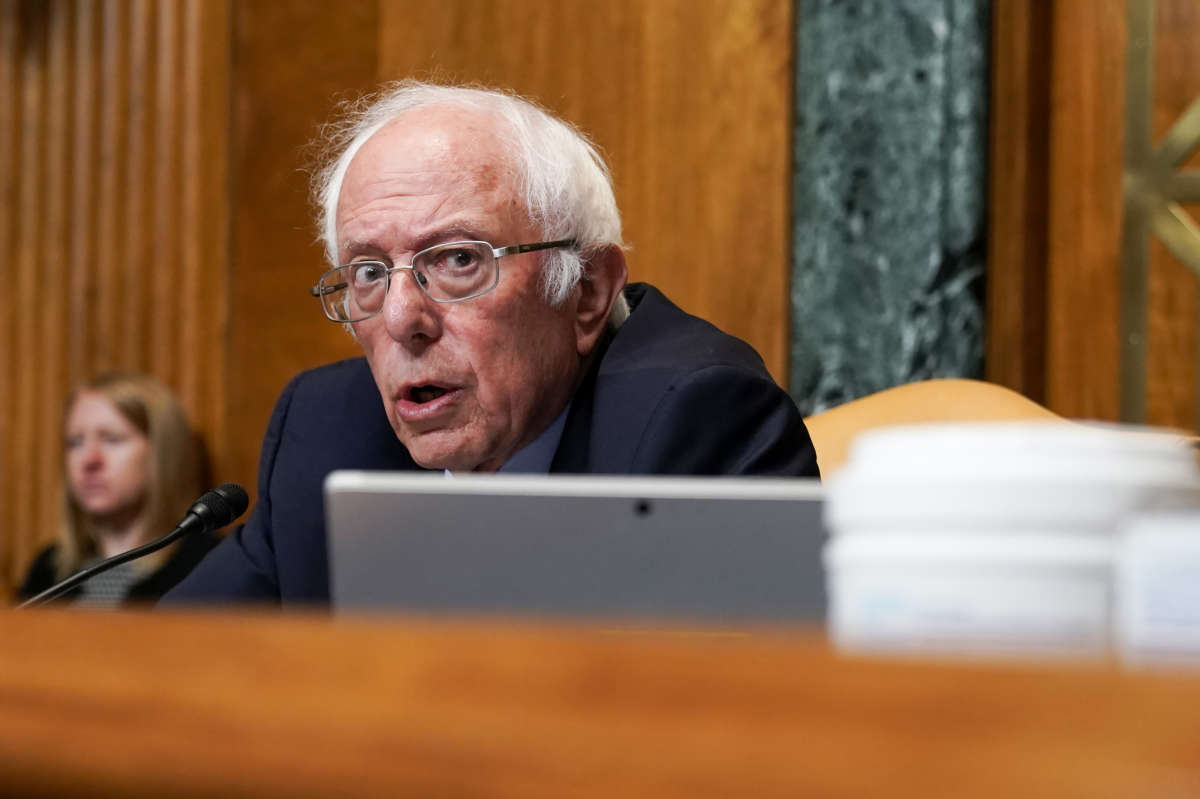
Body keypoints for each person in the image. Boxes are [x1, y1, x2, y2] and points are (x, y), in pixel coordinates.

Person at [165, 81, 819, 606]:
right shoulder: (327, 430)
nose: (400, 317)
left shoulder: (696, 419)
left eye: (456, 260)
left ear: (587, 290)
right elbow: (174, 667)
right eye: (367, 272)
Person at [16, 373, 218, 607]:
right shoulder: (48, 570)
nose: (89, 460)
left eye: (111, 439)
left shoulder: (206, 566)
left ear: (162, 454)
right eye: (75, 442)